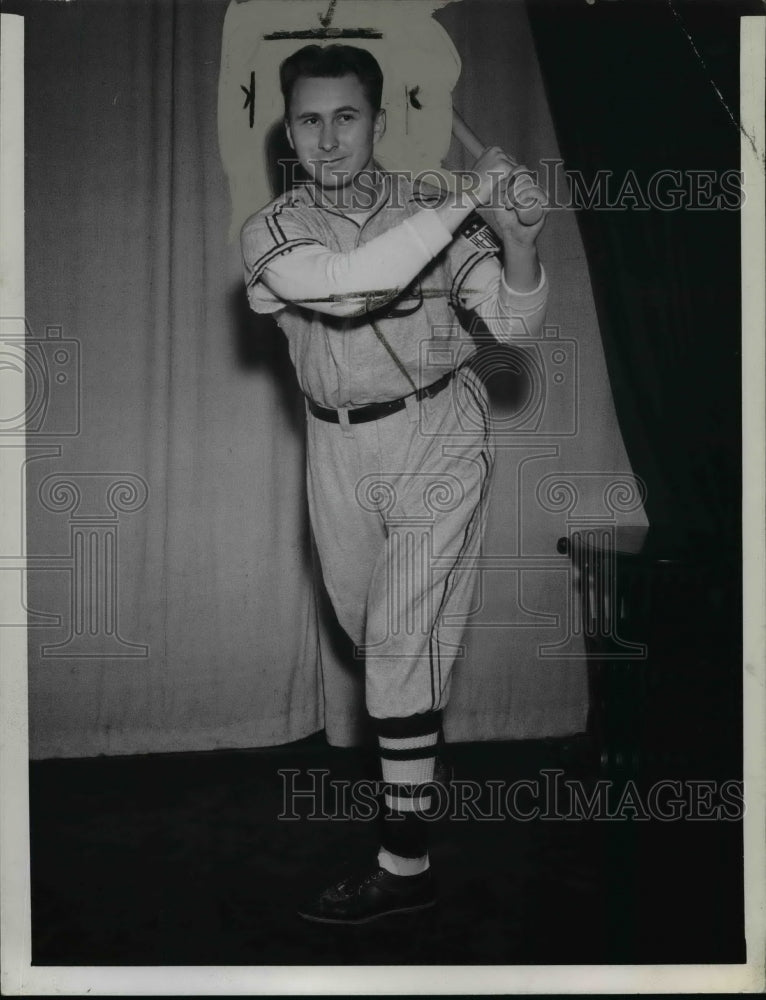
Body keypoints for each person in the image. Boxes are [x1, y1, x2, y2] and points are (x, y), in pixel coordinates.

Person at [241, 44, 548, 924]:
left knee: (400, 640)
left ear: (379, 121)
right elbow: (344, 293)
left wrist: (520, 247)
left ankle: (403, 863)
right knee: (373, 635)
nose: (328, 139)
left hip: (437, 435)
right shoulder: (271, 229)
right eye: (308, 119)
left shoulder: (428, 210)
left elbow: (515, 327)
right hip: (335, 451)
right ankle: (416, 787)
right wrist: (468, 200)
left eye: (346, 117)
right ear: (287, 129)